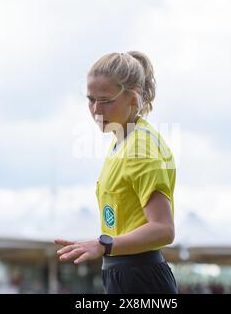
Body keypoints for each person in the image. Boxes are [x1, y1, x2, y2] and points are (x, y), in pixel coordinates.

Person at [55, 51, 178, 294]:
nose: (96, 109)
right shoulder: (123, 139)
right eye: (91, 99)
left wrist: (104, 244)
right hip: (125, 274)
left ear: (134, 98)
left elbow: (163, 229)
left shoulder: (140, 147)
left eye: (106, 100)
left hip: (141, 279)